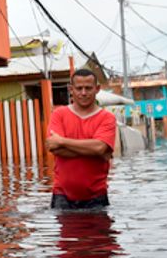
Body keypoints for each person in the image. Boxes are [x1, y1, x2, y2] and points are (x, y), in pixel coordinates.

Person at [45, 68, 118, 209]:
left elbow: (100, 147)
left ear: (97, 89)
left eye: (88, 88)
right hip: (62, 196)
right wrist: (96, 152)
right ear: (71, 89)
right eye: (79, 88)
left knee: (99, 231)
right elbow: (54, 148)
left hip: (96, 197)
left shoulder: (107, 118)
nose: (83, 93)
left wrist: (63, 141)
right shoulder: (58, 114)